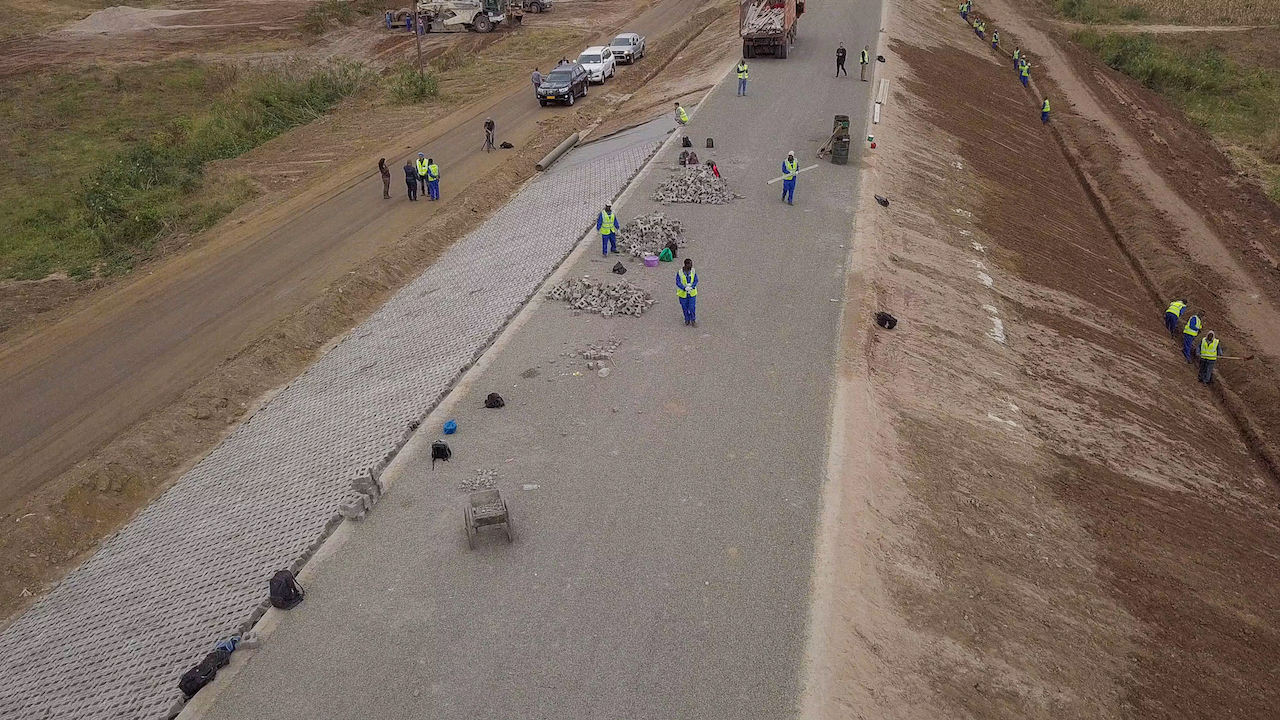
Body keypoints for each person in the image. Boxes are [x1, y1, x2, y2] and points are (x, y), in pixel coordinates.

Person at [676, 258, 698, 326]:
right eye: (690, 264)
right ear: (686, 265)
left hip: (692, 293)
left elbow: (696, 280)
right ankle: (687, 319)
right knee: (684, 307)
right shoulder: (680, 273)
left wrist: (692, 287)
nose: (691, 266)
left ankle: (693, 320)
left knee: (692, 307)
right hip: (683, 294)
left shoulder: (693, 271)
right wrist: (684, 288)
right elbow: (678, 282)